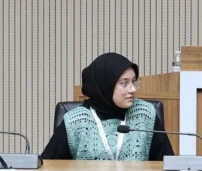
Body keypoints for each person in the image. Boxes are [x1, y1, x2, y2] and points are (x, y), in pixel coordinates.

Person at [41, 53, 174, 161]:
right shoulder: (75, 121)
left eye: (133, 82)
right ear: (105, 86)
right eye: (124, 83)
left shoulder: (145, 114)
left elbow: (167, 165)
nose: (132, 89)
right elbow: (48, 167)